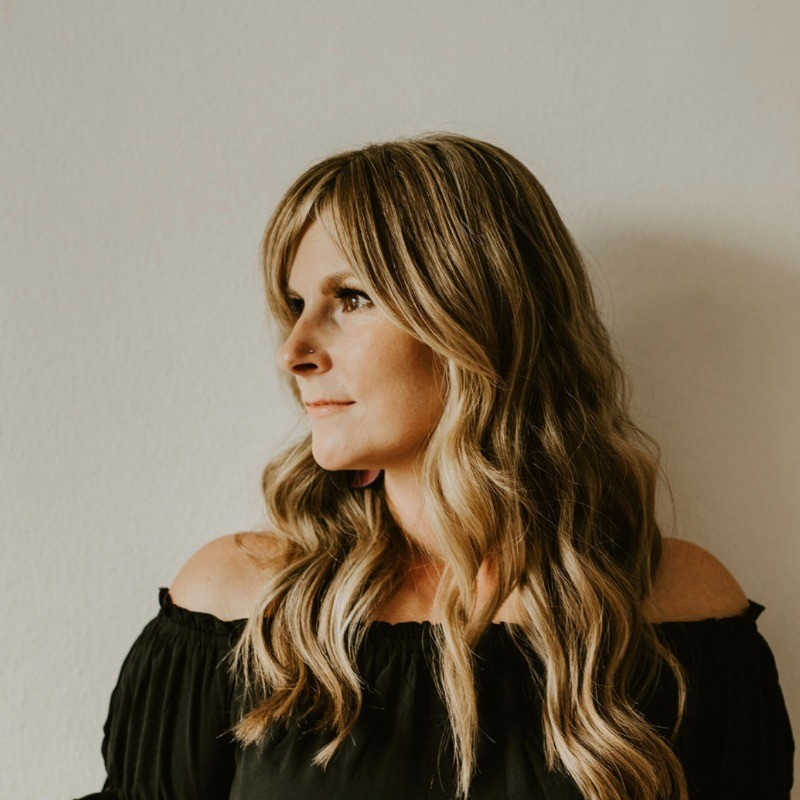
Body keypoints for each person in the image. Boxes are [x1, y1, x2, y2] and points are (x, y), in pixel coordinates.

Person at [74, 133, 794, 800]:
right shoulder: (236, 607)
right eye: (295, 304)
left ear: (475, 315)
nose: (293, 351)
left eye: (351, 298)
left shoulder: (680, 609)